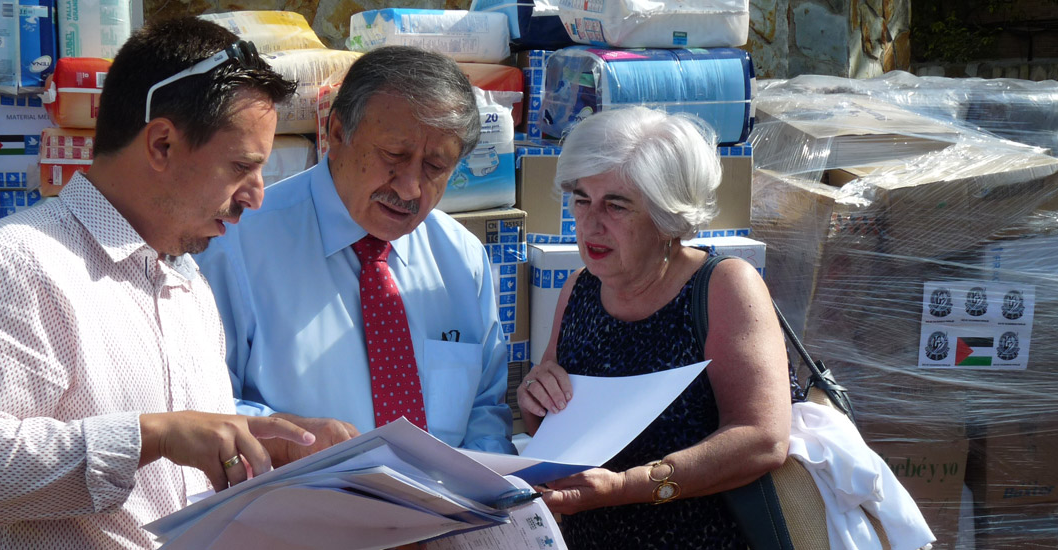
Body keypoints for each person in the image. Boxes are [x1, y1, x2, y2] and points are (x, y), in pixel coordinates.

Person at [0, 17, 319, 549]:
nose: (256, 195)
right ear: (161, 144)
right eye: (241, 167)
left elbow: (174, 461)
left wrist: (258, 449)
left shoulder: (184, 278)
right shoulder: (14, 265)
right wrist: (149, 436)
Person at [195, 45, 515, 462]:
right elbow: (201, 408)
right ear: (337, 132)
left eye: (435, 167)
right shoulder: (238, 246)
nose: (410, 189)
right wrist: (293, 439)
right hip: (299, 516)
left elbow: (485, 411)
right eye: (394, 156)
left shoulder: (461, 259)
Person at [516, 106, 795, 549]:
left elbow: (761, 440)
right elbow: (551, 423)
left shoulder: (723, 286)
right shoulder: (579, 289)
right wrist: (534, 396)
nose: (590, 222)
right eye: (581, 198)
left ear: (668, 215)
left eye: (617, 204)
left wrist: (629, 486)